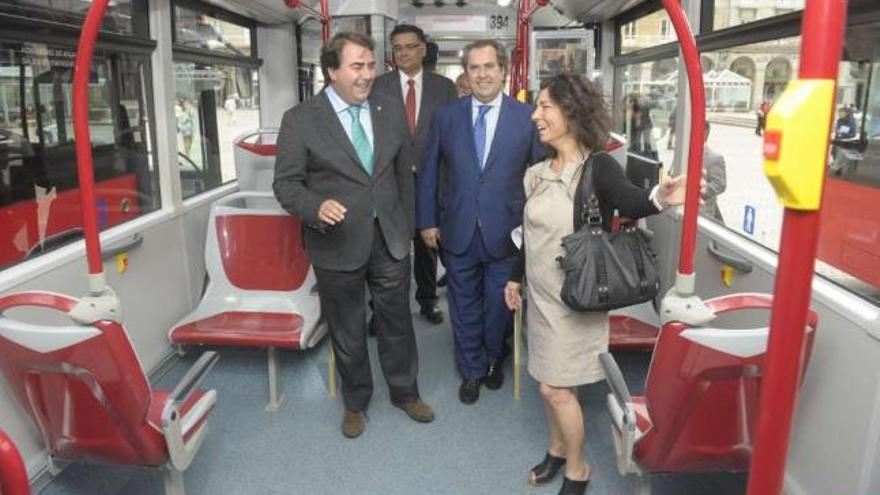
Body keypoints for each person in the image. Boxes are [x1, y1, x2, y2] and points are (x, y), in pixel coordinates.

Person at [503, 74, 686, 495]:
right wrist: (515, 278)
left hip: (578, 299)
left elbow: (630, 200)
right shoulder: (536, 174)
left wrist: (660, 196)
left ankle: (578, 468)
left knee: (555, 388)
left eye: (545, 107)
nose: (535, 116)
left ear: (571, 111)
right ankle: (555, 448)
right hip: (542, 297)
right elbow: (529, 236)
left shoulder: (598, 166)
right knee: (548, 383)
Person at [273, 32, 434, 439]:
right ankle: (356, 401)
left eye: (370, 65)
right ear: (331, 70)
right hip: (337, 240)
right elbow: (287, 185)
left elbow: (403, 178)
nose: (367, 75)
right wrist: (315, 207)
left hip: (390, 238)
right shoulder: (301, 119)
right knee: (346, 328)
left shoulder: (389, 110)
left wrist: (407, 225)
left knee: (397, 321)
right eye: (356, 66)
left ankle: (405, 392)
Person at [418, 39, 544, 405]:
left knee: (500, 307)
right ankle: (472, 369)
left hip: (509, 235)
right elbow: (428, 173)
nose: (483, 74)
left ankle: (493, 356)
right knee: (463, 306)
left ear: (503, 70)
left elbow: (539, 178)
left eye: (490, 66)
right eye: (475, 68)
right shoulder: (447, 116)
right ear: (466, 73)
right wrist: (427, 221)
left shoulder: (527, 117)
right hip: (456, 230)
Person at [372, 24, 457, 325]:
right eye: (398, 48)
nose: (404, 52)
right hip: (389, 181)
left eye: (410, 46)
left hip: (429, 180)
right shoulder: (377, 86)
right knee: (386, 247)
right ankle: (381, 309)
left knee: (426, 246)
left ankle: (427, 300)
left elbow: (452, 136)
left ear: (423, 49)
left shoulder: (444, 87)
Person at [701, 122, 726, 222]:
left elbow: (720, 184)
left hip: (703, 213)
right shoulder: (684, 153)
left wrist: (697, 190)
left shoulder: (714, 158)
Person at [830, 106, 858, 176]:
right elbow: (837, 129)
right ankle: (837, 169)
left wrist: (844, 133)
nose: (840, 114)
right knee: (834, 154)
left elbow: (853, 133)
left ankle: (835, 169)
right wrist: (837, 132)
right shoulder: (839, 120)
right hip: (839, 140)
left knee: (841, 157)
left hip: (846, 142)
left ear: (846, 113)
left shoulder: (851, 122)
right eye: (839, 112)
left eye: (841, 112)